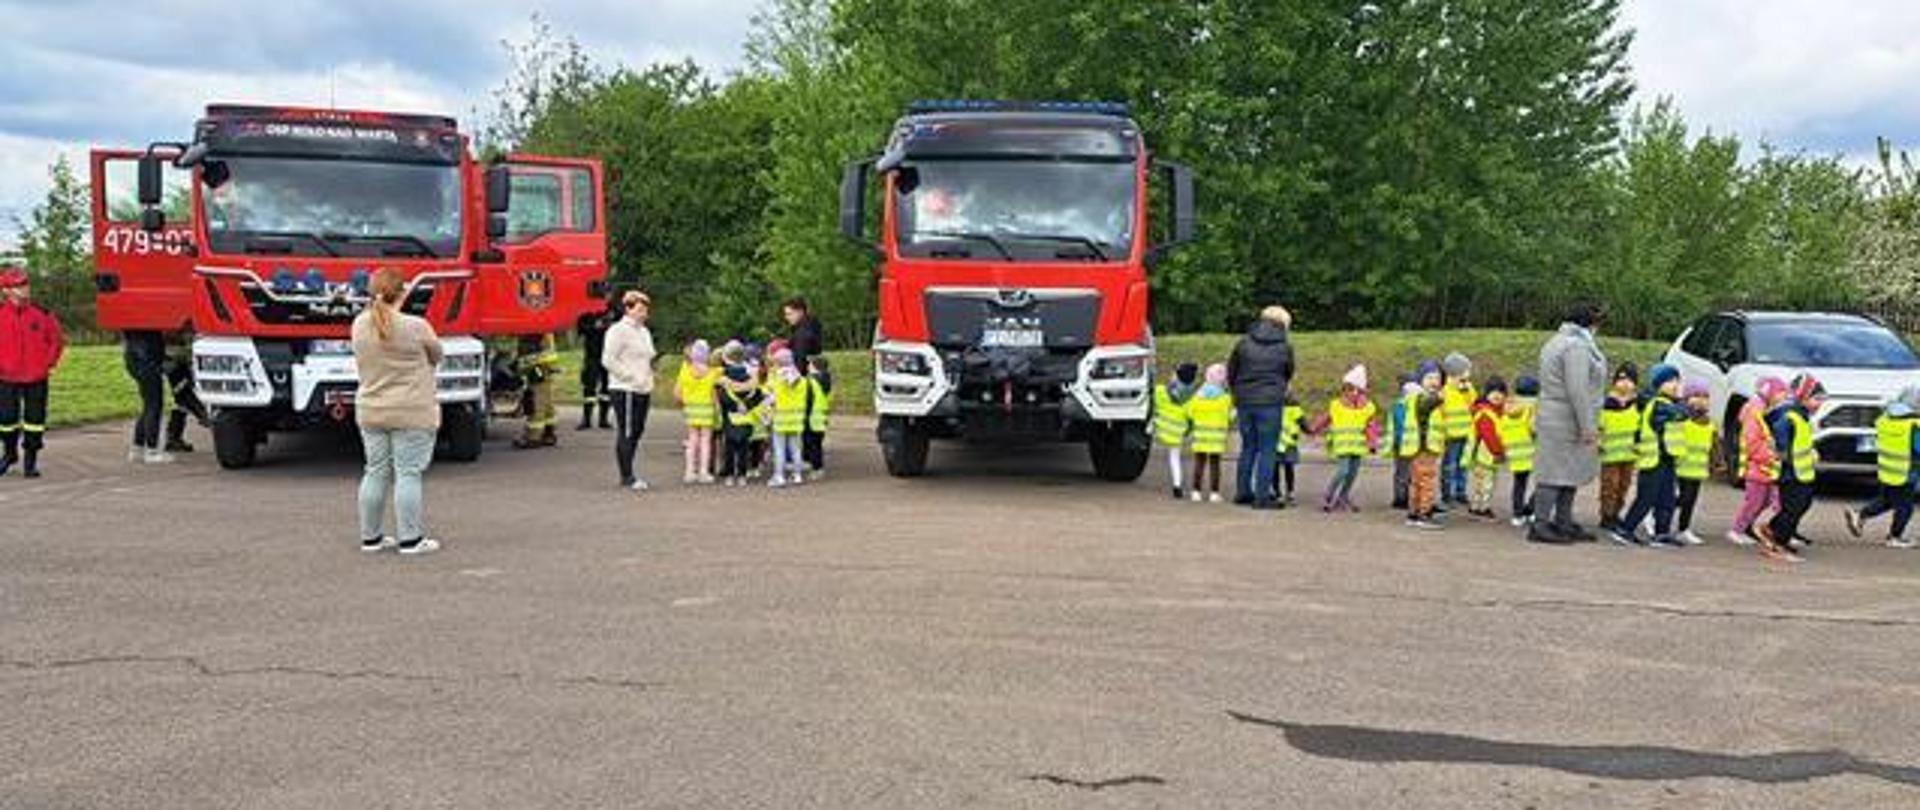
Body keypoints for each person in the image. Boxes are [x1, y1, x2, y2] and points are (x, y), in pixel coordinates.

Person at [351, 268, 443, 555]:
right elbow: (437, 355)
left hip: (371, 409)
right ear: (403, 293)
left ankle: (371, 538)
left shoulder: (359, 325)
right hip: (411, 410)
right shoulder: (416, 326)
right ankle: (410, 539)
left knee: (375, 471)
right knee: (408, 473)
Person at [1529, 304, 1608, 544]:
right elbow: (1577, 389)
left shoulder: (1559, 340)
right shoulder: (1575, 347)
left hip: (1559, 415)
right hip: (1566, 417)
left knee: (1569, 471)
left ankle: (1563, 521)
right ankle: (1540, 524)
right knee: (1554, 473)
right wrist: (1587, 426)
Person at [1227, 306, 1294, 509]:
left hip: (1245, 401)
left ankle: (1243, 492)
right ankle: (1262, 497)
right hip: (1270, 402)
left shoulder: (1243, 343)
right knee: (1267, 449)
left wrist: (1238, 392)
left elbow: (1232, 371)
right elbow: (1288, 372)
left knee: (1248, 446)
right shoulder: (1284, 347)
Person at [1614, 364, 1687, 547]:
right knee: (1646, 498)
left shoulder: (1669, 403)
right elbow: (1678, 415)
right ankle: (1626, 529)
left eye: (1677, 380)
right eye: (1669, 381)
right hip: (1653, 461)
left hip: (1667, 459)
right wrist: (1684, 405)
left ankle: (1662, 532)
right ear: (1658, 384)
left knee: (1667, 499)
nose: (1675, 384)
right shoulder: (1658, 404)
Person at [0, 267, 63, 479]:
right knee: (6, 420)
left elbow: (56, 341)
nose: (25, 289)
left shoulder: (42, 314)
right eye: (18, 285)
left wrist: (47, 364)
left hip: (36, 377)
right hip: (6, 377)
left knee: (35, 421)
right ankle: (9, 454)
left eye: (25, 284)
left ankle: (31, 460)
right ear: (6, 290)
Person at [1846, 386, 1920, 549]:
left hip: (1888, 471)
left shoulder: (1886, 419)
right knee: (1905, 508)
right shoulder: (1914, 425)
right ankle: (1895, 536)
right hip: (1905, 473)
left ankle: (1859, 514)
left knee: (1888, 501)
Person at [1762, 374, 1825, 562]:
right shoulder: (1790, 416)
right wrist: (1783, 453)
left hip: (1803, 472)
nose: (1819, 403)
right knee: (1792, 508)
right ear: (1803, 397)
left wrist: (1812, 451)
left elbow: (1801, 441)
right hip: (1790, 473)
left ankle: (1774, 530)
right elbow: (1780, 432)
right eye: (1816, 399)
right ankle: (1777, 545)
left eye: (1821, 399)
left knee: (1803, 504)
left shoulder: (1803, 417)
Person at [603, 290, 657, 491]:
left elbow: (647, 357)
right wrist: (630, 377)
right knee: (626, 431)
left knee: (637, 429)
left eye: (646, 310)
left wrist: (648, 377)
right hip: (625, 388)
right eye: (640, 309)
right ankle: (627, 476)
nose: (644, 314)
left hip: (643, 388)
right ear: (628, 309)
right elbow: (608, 360)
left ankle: (629, 471)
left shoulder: (644, 332)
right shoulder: (618, 331)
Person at [1729, 377, 1789, 547]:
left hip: (1765, 467)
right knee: (1754, 502)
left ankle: (1750, 528)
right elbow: (1753, 442)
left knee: (1766, 501)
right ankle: (1737, 530)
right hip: (1759, 467)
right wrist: (1771, 457)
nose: (1784, 397)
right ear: (1769, 392)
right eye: (1781, 393)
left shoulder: (1760, 410)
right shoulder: (1754, 413)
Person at [1319, 364, 1378, 512]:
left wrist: (1372, 443)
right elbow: (1325, 419)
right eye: (1350, 389)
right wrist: (1313, 429)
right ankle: (1329, 495)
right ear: (1344, 390)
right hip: (1342, 445)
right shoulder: (1336, 405)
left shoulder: (1368, 407)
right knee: (1343, 471)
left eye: (1357, 390)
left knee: (1352, 474)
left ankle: (1343, 497)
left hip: (1357, 446)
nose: (1354, 393)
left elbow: (1371, 427)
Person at [1597, 362, 1642, 532]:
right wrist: (1599, 440)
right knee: (1610, 485)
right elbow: (1599, 425)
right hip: (1610, 453)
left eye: (1630, 380)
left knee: (1624, 485)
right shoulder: (1606, 404)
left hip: (1629, 454)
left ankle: (1616, 513)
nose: (1625, 384)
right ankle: (1607, 515)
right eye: (1621, 380)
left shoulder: (1637, 404)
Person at [1671, 380, 1715, 546]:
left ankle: (1684, 529)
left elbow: (1713, 445)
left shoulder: (1709, 422)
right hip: (1681, 467)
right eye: (1696, 396)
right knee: (1683, 498)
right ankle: (1656, 511)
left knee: (1691, 500)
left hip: (1698, 468)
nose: (1701, 400)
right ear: (1686, 398)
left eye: (1705, 396)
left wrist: (1715, 462)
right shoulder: (1681, 418)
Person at [1405, 360, 1447, 531]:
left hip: (1421, 447)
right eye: (1429, 377)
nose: (1434, 381)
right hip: (1424, 447)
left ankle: (1414, 512)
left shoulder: (1417, 397)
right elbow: (1426, 406)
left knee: (1417, 481)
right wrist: (1438, 398)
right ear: (1420, 380)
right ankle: (1424, 513)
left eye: (1437, 378)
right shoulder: (1421, 398)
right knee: (1426, 480)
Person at [1186, 363, 1234, 504]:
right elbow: (1230, 417)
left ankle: (1196, 492)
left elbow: (1189, 412)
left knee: (1199, 464)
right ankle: (1214, 493)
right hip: (1216, 438)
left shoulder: (1197, 397)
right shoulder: (1225, 398)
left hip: (1200, 436)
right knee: (1215, 465)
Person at [122, 330, 172, 464]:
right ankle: (152, 451)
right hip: (148, 359)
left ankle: (137, 449)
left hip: (133, 358)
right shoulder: (150, 319)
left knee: (148, 404)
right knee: (154, 405)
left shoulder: (131, 317)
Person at [676, 340, 721, 485]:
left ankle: (689, 472)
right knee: (705, 441)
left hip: (691, 408)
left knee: (692, 439)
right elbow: (714, 393)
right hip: (706, 408)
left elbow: (678, 392)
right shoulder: (712, 372)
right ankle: (703, 472)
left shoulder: (685, 371)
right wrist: (717, 408)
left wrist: (683, 402)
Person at [1153, 362, 1198, 500]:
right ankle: (1177, 486)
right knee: (1175, 457)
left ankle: (1178, 486)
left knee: (1172, 457)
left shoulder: (1161, 391)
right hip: (1178, 434)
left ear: (1176, 377)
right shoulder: (1193, 398)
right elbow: (1193, 417)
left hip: (1160, 431)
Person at [1466, 376, 1509, 521]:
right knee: (1486, 482)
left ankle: (1476, 506)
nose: (1497, 395)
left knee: (1480, 481)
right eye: (1493, 392)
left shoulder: (1495, 411)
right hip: (1486, 454)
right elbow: (1489, 436)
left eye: (1501, 392)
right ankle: (1482, 507)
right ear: (1487, 394)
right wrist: (1498, 452)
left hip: (1485, 455)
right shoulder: (1486, 413)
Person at [766, 348, 810, 488]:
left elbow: (769, 397)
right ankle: (797, 476)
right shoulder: (802, 380)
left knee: (779, 449)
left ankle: (779, 476)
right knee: (796, 448)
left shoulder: (775, 379)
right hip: (796, 418)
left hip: (780, 418)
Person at [1439, 352, 1477, 508]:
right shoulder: (1445, 391)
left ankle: (1461, 492)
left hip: (1465, 434)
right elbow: (1440, 413)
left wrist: (1467, 391)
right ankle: (1449, 494)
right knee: (1450, 466)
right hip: (1451, 436)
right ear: (1454, 373)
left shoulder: (1468, 389)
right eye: (1465, 371)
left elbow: (1473, 404)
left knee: (1463, 465)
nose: (1468, 375)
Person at [717, 365, 764, 488]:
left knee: (729, 452)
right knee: (744, 450)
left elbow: (722, 402)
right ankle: (742, 476)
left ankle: (730, 476)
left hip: (730, 423)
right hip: (746, 422)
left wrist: (734, 407)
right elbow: (759, 398)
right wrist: (747, 406)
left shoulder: (725, 389)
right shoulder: (753, 388)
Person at [576, 296, 618, 430]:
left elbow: (621, 324)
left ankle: (603, 419)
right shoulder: (587, 308)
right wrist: (595, 325)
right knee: (589, 387)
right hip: (592, 355)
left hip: (608, 354)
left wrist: (609, 325)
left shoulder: (613, 308)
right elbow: (580, 327)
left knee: (606, 389)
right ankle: (586, 419)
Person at [513, 334, 562, 449]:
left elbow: (536, 355)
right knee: (546, 402)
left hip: (538, 370)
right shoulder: (543, 330)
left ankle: (533, 437)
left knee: (537, 403)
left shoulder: (535, 332)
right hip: (543, 369)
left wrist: (522, 364)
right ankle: (548, 433)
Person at [1503, 375, 1540, 527]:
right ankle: (1531, 510)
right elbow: (1534, 427)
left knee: (1519, 484)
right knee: (1542, 482)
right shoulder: (1534, 406)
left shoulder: (1509, 405)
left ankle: (1517, 514)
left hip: (1514, 451)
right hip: (1531, 450)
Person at [162, 335, 207, 453]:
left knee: (181, 399)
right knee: (184, 394)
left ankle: (174, 438)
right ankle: (203, 415)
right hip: (174, 358)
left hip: (176, 358)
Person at [1389, 377, 1422, 511]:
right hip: (1403, 444)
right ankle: (1400, 498)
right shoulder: (1402, 407)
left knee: (1407, 471)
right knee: (1403, 471)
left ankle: (1404, 496)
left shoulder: (1402, 406)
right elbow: (1402, 426)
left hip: (1409, 442)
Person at [802, 355, 833, 479]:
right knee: (817, 444)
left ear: (815, 366)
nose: (808, 366)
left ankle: (817, 469)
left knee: (812, 444)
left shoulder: (811, 382)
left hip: (811, 416)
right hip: (821, 416)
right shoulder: (826, 379)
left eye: (810, 364)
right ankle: (817, 467)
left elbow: (807, 400)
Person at [1275, 393, 1307, 507]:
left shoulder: (1274, 406)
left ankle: (1277, 492)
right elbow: (1302, 423)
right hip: (1289, 444)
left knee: (1275, 469)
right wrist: (1310, 431)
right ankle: (1290, 492)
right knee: (1289, 469)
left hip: (1276, 443)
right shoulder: (1295, 408)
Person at [783, 297, 824, 373]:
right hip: (816, 374)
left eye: (790, 314)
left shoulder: (803, 334)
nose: (787, 317)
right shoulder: (811, 324)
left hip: (805, 378)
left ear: (801, 312)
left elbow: (800, 363)